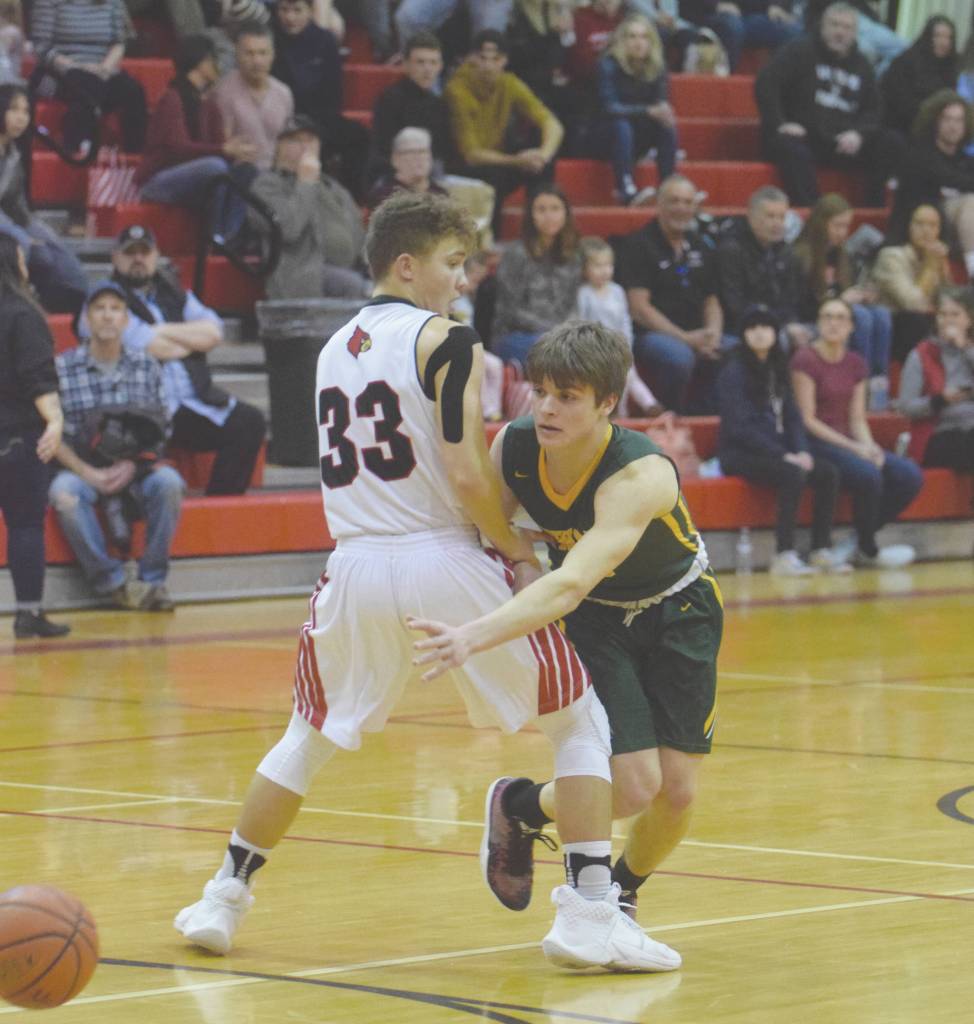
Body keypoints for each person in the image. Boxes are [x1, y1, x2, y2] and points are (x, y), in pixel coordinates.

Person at [173, 192, 678, 973]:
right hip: (439, 553)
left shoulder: (332, 343)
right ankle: (586, 914)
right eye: (452, 263)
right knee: (579, 724)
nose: (462, 279)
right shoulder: (446, 339)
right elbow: (464, 469)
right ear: (407, 265)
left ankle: (221, 897)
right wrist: (511, 546)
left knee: (305, 736)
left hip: (352, 562)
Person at [410, 318, 723, 928]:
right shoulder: (516, 447)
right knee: (632, 788)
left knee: (676, 792)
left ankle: (621, 888)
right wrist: (520, 553)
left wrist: (472, 637)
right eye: (541, 391)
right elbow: (493, 536)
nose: (547, 408)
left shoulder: (640, 474)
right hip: (598, 622)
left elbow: (573, 577)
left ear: (608, 403)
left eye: (568, 397)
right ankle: (527, 809)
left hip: (679, 610)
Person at [77, 226, 266, 496]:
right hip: (142, 409)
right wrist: (185, 340)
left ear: (156, 256)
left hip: (193, 402)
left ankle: (219, 504)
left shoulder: (174, 293)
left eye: (145, 252)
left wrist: (158, 329)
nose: (138, 259)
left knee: (250, 422)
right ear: (116, 258)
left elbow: (214, 331)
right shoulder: (106, 300)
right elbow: (151, 347)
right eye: (131, 253)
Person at [50, 280, 185, 611]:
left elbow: (162, 429)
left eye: (115, 309)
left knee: (169, 483)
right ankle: (114, 583)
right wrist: (89, 473)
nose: (107, 316)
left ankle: (153, 583)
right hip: (83, 467)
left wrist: (135, 465)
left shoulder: (147, 365)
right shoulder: (62, 368)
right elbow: (53, 436)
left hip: (136, 467)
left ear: (126, 320)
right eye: (99, 309)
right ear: (86, 319)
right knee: (63, 493)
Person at [791, 297, 924, 568]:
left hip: (848, 441)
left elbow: (856, 418)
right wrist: (855, 449)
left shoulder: (856, 363)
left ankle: (857, 539)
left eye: (840, 318)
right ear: (818, 323)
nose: (833, 323)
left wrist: (870, 446)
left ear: (851, 326)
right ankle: (868, 550)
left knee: (908, 476)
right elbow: (808, 420)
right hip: (816, 442)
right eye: (827, 316)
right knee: (868, 474)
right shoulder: (805, 359)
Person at [717, 303, 846, 576]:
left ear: (776, 333)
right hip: (740, 453)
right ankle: (784, 554)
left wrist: (801, 449)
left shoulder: (778, 368)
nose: (760, 333)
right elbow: (740, 427)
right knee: (793, 473)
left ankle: (820, 549)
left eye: (766, 327)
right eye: (753, 328)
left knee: (828, 473)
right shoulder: (734, 371)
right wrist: (782, 454)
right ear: (743, 335)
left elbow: (793, 417)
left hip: (777, 449)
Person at [754, 1, 903, 208]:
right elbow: (766, 83)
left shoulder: (862, 64)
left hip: (841, 141)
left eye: (846, 27)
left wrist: (859, 134)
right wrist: (780, 123)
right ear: (823, 27)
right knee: (790, 148)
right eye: (834, 25)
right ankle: (815, 213)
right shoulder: (800, 50)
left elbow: (874, 109)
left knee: (891, 142)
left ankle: (872, 208)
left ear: (855, 33)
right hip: (803, 136)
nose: (840, 32)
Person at [0, 236, 70, 639]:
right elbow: (37, 377)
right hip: (17, 437)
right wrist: (55, 422)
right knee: (25, 525)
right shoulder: (24, 315)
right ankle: (28, 612)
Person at [616, 174, 726, 413]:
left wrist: (713, 334)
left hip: (697, 332)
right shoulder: (638, 244)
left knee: (738, 349)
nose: (681, 208)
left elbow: (712, 300)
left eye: (688, 202)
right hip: (652, 334)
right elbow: (639, 309)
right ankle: (671, 416)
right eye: (674, 201)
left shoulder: (701, 244)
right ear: (659, 204)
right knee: (679, 357)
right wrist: (686, 338)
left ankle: (706, 416)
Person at [136, 35, 258, 241]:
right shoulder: (172, 98)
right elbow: (177, 149)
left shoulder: (210, 103)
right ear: (201, 62)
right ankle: (213, 234)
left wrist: (235, 151)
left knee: (247, 171)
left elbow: (219, 147)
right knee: (214, 167)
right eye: (213, 59)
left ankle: (226, 237)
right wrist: (224, 151)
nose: (218, 66)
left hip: (198, 177)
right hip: (159, 180)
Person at [445, 30, 564, 234]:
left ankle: (539, 232)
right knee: (494, 175)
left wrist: (541, 156)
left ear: (505, 60)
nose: (489, 65)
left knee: (542, 164)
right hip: (461, 167)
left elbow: (552, 123)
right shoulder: (456, 89)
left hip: (498, 158)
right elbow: (471, 155)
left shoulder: (509, 83)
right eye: (482, 58)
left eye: (495, 59)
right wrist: (517, 161)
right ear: (471, 58)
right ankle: (493, 239)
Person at [251, 115, 370, 299]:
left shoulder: (333, 186)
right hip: (300, 273)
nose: (305, 146)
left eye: (311, 140)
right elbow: (289, 229)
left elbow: (359, 232)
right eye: (295, 141)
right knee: (352, 284)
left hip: (349, 269)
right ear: (279, 147)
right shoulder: (266, 185)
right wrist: (305, 183)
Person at [793, 193, 892, 403]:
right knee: (861, 317)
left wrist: (863, 294)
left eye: (846, 226)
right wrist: (843, 300)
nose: (843, 233)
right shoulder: (800, 254)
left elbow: (846, 289)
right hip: (813, 316)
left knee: (881, 314)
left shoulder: (842, 254)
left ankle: (878, 385)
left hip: (841, 311)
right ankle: (859, 382)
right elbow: (803, 303)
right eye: (837, 226)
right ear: (821, 224)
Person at [0, 83, 88, 315]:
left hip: (9, 219)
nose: (21, 118)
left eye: (26, 111)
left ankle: (77, 311)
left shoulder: (14, 153)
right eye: (14, 110)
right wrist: (23, 236)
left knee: (61, 257)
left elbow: (16, 206)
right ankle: (19, 310)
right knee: (30, 250)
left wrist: (39, 232)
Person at [272, 0, 369, 201]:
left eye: (297, 10)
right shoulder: (270, 39)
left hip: (320, 118)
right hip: (281, 119)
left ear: (309, 11)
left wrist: (315, 129)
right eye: (284, 10)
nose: (290, 17)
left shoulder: (324, 41)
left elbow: (335, 95)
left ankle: (353, 199)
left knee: (358, 135)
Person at [29, 0, 147, 154]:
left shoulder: (113, 3)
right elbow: (41, 48)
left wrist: (105, 68)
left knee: (133, 91)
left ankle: (134, 156)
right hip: (58, 71)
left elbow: (119, 43)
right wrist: (78, 67)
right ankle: (72, 152)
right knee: (88, 86)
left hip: (102, 70)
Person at [491, 185, 582, 366]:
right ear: (530, 215)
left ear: (566, 214)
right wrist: (553, 332)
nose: (549, 216)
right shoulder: (516, 253)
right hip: (514, 335)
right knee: (558, 354)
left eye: (555, 209)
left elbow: (573, 305)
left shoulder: (573, 254)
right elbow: (510, 311)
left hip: (560, 337)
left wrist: (567, 331)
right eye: (541, 209)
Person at [890, 91, 974, 283]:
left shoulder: (967, 161)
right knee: (970, 202)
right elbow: (952, 179)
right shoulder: (920, 156)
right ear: (934, 121)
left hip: (961, 234)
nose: (953, 126)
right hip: (924, 228)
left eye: (959, 120)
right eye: (947, 119)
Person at [595, 14, 676, 206]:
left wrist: (663, 111)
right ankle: (625, 189)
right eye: (632, 36)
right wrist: (648, 111)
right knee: (621, 125)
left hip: (638, 134)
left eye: (644, 37)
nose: (638, 42)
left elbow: (661, 103)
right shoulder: (608, 65)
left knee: (667, 125)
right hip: (605, 134)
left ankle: (668, 188)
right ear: (622, 41)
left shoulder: (658, 66)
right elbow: (608, 108)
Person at [576, 235, 660, 416]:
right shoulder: (584, 294)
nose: (604, 271)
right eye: (597, 266)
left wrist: (626, 345)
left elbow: (624, 321)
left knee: (630, 375)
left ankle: (650, 406)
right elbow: (581, 324)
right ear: (584, 269)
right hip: (595, 352)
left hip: (619, 347)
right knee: (613, 381)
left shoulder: (617, 291)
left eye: (608, 265)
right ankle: (619, 412)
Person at [717, 186, 810, 344]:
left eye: (781, 217)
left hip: (781, 322)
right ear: (751, 217)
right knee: (780, 340)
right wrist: (780, 325)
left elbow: (793, 298)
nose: (777, 223)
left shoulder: (786, 251)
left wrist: (791, 323)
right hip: (744, 327)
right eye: (770, 216)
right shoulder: (731, 250)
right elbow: (735, 306)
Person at [898, 285, 974, 472]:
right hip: (938, 434)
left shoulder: (970, 351)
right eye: (943, 314)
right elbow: (906, 407)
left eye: (955, 314)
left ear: (969, 320)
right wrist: (940, 400)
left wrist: (965, 349)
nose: (948, 320)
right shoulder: (920, 355)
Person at [871, 204, 953, 362]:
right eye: (919, 223)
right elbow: (913, 304)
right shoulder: (890, 257)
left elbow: (949, 301)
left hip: (925, 323)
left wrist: (943, 268)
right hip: (896, 327)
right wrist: (929, 268)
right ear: (909, 226)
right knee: (915, 320)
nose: (926, 230)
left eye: (932, 225)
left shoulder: (936, 256)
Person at [368, 31, 454, 182]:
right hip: (394, 177)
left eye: (433, 62)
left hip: (432, 175)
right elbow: (383, 151)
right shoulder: (390, 100)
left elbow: (443, 153)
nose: (427, 69)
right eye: (420, 62)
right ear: (406, 65)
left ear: (440, 66)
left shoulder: (440, 104)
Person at [213, 20, 293, 172]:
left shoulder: (284, 93)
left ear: (273, 55)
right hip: (239, 176)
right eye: (249, 53)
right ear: (237, 54)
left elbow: (288, 143)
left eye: (263, 53)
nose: (257, 61)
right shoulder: (223, 92)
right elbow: (221, 144)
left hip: (277, 177)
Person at [880, 16, 958, 138]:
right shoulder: (905, 62)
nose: (944, 42)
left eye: (948, 37)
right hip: (898, 130)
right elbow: (898, 102)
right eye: (938, 36)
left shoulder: (951, 68)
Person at [678, 0, 802, 73]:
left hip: (752, 16)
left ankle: (782, 90)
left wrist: (777, 5)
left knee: (792, 30)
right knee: (732, 26)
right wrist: (716, 5)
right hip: (710, 14)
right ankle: (724, 85)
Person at [365, 126, 449, 209]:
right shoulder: (384, 196)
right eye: (412, 152)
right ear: (395, 159)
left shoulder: (440, 194)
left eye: (423, 151)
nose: (419, 158)